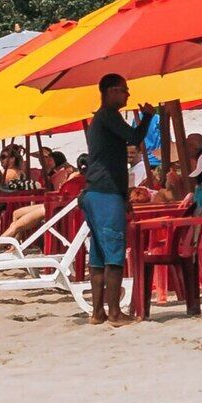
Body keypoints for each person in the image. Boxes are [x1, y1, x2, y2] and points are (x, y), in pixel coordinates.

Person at [78, 72, 133, 326]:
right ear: (111, 91)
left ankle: (98, 312)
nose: (127, 94)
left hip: (95, 192)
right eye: (124, 90)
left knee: (99, 256)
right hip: (104, 193)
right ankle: (114, 313)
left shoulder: (101, 119)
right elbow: (134, 138)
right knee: (114, 254)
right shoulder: (109, 116)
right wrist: (149, 118)